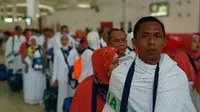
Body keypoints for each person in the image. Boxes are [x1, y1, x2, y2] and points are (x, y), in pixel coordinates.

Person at [103, 16, 196, 112]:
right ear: (134, 42)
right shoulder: (120, 74)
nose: (151, 42)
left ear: (164, 42)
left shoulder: (177, 76)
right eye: (145, 36)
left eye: (157, 36)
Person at [70, 46, 118, 112]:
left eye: (117, 63)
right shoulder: (85, 88)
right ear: (102, 64)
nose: (117, 66)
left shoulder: (119, 83)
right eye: (113, 63)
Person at [51, 35, 79, 112]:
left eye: (65, 40)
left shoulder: (73, 51)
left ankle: (71, 109)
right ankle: (60, 110)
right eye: (62, 40)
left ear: (68, 41)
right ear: (60, 41)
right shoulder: (58, 51)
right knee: (62, 95)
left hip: (72, 77)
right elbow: (55, 66)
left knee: (71, 94)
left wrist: (77, 77)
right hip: (61, 77)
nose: (64, 41)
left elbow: (78, 65)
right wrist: (54, 79)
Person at [22, 36, 46, 104]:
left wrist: (43, 67)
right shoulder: (27, 50)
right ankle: (31, 99)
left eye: (34, 40)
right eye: (31, 40)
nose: (33, 42)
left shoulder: (41, 49)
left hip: (39, 71)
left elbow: (45, 59)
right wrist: (29, 62)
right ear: (29, 41)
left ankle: (40, 99)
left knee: (39, 84)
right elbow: (22, 60)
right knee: (31, 85)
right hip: (30, 71)